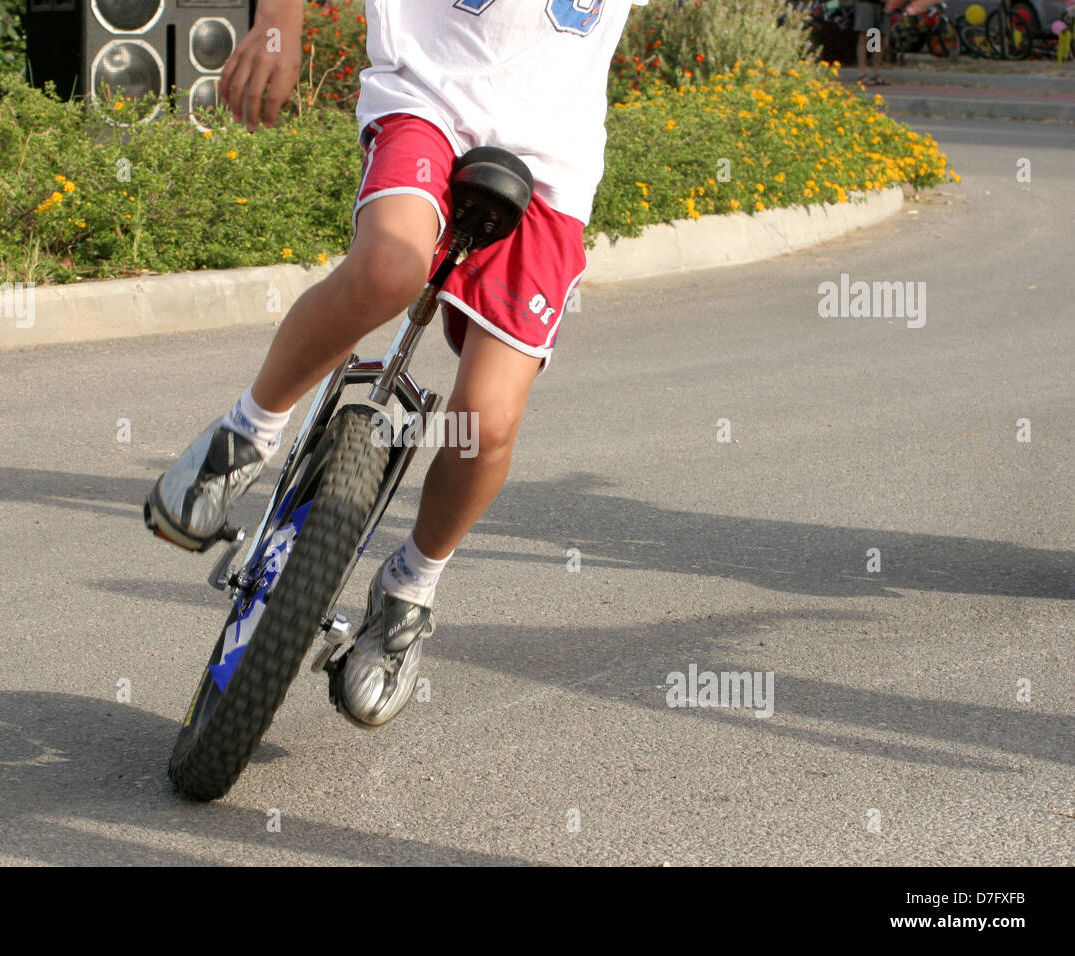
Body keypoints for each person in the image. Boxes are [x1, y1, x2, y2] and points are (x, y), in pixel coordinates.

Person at [146, 0, 937, 730]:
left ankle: (411, 590)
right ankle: (243, 435)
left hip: (551, 170)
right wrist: (279, 22)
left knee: (485, 420)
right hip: (429, 103)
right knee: (390, 268)